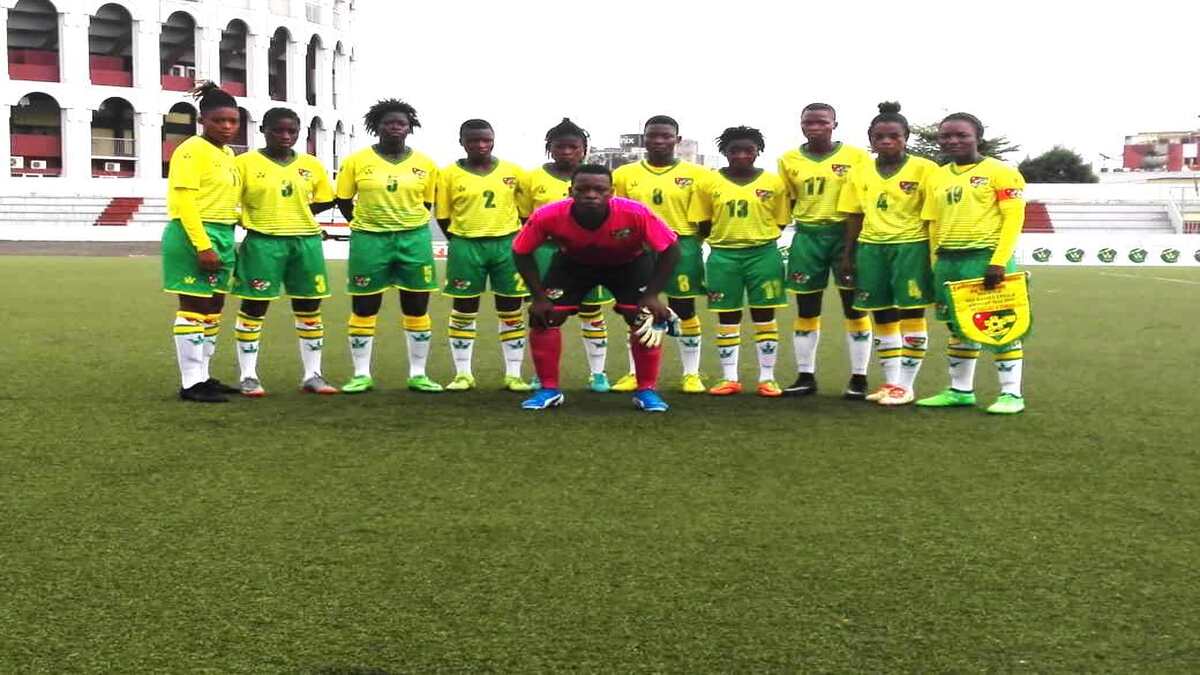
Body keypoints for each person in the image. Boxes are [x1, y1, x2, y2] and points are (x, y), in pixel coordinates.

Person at [513, 164, 681, 412]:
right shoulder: (548, 215)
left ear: (611, 192)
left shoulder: (635, 212)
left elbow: (670, 249)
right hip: (573, 264)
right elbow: (521, 251)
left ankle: (646, 390)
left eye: (599, 189)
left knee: (643, 318)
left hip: (629, 263)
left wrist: (652, 294)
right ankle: (549, 389)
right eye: (583, 189)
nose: (591, 194)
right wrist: (538, 297)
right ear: (571, 191)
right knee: (544, 317)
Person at [916, 112, 1028, 414]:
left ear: (978, 137)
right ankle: (960, 390)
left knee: (1001, 325)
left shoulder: (1001, 172)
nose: (953, 140)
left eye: (961, 135)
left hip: (984, 258)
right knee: (959, 327)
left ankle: (1011, 395)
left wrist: (999, 262)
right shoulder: (937, 176)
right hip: (949, 260)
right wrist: (933, 263)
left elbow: (1013, 218)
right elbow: (933, 224)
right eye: (946, 135)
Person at [336, 99, 442, 394]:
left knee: (417, 305)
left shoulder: (425, 164)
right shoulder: (357, 161)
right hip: (370, 240)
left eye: (401, 123)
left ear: (409, 128)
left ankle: (419, 374)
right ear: (377, 127)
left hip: (413, 239)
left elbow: (427, 203)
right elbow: (344, 200)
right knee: (365, 305)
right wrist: (365, 224)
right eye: (389, 123)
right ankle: (360, 374)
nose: (395, 128)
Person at [231, 107, 338, 396]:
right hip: (263, 242)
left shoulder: (311, 165)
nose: (285, 136)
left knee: (309, 308)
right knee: (254, 307)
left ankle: (313, 375)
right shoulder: (244, 164)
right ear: (263, 130)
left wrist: (297, 213)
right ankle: (248, 375)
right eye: (278, 130)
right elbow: (231, 202)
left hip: (305, 243)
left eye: (292, 131)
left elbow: (327, 199)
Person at [837, 103, 938, 405]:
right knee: (881, 313)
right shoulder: (860, 171)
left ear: (906, 137)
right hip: (871, 248)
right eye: (879, 136)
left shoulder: (925, 169)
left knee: (911, 312)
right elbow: (854, 215)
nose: (886, 141)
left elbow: (934, 214)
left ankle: (906, 386)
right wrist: (848, 255)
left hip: (911, 247)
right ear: (870, 139)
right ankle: (890, 382)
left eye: (894, 136)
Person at [777, 103, 873, 399]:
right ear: (801, 125)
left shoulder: (857, 157)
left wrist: (855, 244)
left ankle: (859, 378)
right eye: (809, 122)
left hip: (846, 235)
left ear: (834, 124)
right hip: (807, 237)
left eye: (822, 121)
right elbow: (788, 201)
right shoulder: (788, 159)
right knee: (806, 308)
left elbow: (866, 197)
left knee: (853, 306)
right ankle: (806, 375)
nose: (815, 127)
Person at [689, 126, 792, 397]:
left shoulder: (773, 183)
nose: (742, 155)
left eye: (749, 150)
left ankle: (767, 378)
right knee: (727, 314)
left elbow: (781, 221)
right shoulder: (708, 182)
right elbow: (702, 222)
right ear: (725, 152)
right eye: (735, 150)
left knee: (764, 314)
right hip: (723, 256)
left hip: (764, 254)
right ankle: (729, 377)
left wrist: (756, 238)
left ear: (759, 152)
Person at [612, 115, 708, 394]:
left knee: (685, 308)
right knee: (636, 310)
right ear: (645, 139)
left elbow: (703, 219)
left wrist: (691, 243)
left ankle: (691, 374)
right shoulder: (624, 175)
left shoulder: (699, 174)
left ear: (677, 140)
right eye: (653, 136)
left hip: (681, 245)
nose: (659, 141)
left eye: (666, 136)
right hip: (638, 248)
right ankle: (634, 372)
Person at [518, 118, 614, 392]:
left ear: (584, 149)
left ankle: (598, 374)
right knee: (544, 313)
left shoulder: (595, 177)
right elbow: (526, 217)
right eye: (560, 146)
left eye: (574, 146)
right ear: (550, 148)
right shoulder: (532, 178)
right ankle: (542, 375)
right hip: (546, 253)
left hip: (590, 252)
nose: (567, 151)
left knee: (592, 312)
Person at [436, 119, 532, 392]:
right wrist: (461, 238)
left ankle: (513, 374)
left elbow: (524, 213)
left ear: (493, 140)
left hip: (507, 246)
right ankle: (463, 374)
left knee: (512, 310)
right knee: (464, 309)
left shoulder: (514, 171)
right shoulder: (448, 174)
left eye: (486, 140)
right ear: (462, 142)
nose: (480, 145)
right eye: (473, 140)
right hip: (466, 245)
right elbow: (443, 215)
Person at [162, 81, 242, 402]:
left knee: (214, 306)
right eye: (218, 120)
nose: (226, 127)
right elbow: (185, 202)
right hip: (194, 234)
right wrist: (203, 245)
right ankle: (190, 382)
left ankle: (204, 375)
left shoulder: (226, 154)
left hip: (223, 233)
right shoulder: (191, 150)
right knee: (194, 307)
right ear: (202, 121)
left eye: (233, 121)